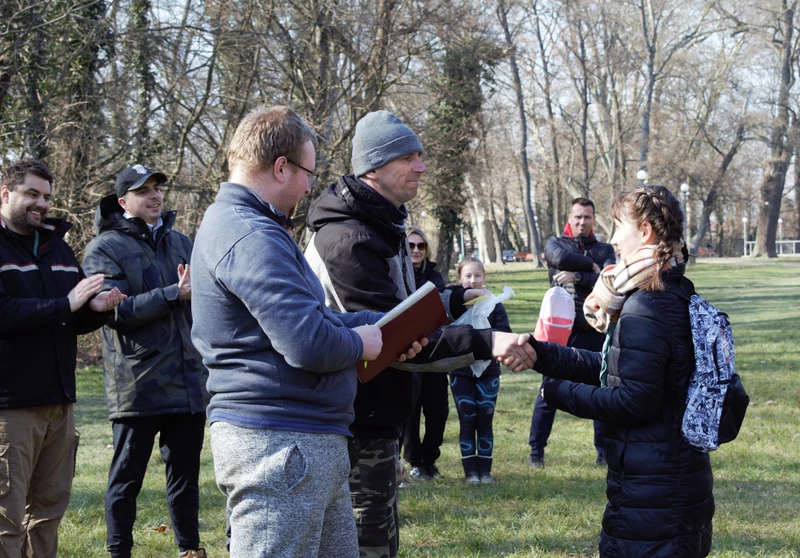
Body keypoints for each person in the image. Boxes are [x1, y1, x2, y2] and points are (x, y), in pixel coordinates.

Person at [189, 105, 422, 557]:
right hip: (279, 446)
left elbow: (312, 317)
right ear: (281, 166)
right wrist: (363, 342)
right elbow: (307, 342)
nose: (311, 186)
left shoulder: (255, 228)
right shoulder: (249, 235)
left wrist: (375, 324)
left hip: (301, 443)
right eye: (308, 173)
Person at [305, 109, 535, 557]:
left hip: (375, 417)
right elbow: (393, 341)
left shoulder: (380, 226)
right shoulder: (350, 240)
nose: (422, 167)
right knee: (366, 544)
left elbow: (402, 310)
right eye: (409, 157)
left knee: (381, 539)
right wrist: (490, 343)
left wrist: (452, 300)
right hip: (351, 422)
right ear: (374, 167)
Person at [527, 185, 713, 556]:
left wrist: (556, 393)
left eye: (618, 226)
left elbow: (633, 400)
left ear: (645, 232)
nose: (612, 239)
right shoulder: (675, 292)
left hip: (656, 494)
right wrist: (541, 355)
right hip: (664, 483)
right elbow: (620, 369)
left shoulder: (648, 305)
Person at [82, 165, 210, 558]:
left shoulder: (182, 242)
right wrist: (174, 292)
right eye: (143, 191)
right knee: (127, 479)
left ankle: (190, 549)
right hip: (138, 383)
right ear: (123, 203)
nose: (155, 196)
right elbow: (115, 311)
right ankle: (118, 550)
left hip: (189, 382)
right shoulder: (104, 248)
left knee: (186, 478)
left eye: (157, 189)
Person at [0, 159, 125, 557]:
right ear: (6, 193)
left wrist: (98, 308)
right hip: (11, 407)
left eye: (48, 197)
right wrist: (64, 304)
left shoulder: (57, 246)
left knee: (50, 511)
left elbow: (72, 316)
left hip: (59, 402)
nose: (42, 204)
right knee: (5, 517)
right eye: (32, 194)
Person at [527, 197, 616, 468]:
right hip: (561, 333)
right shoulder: (556, 243)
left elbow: (610, 280)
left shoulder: (603, 249)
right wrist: (591, 268)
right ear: (570, 217)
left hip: (596, 330)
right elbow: (558, 258)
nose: (582, 222)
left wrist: (578, 277)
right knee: (548, 391)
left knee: (604, 391)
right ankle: (536, 451)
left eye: (587, 217)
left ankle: (604, 451)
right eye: (578, 216)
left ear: (593, 219)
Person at [446, 257, 511, 485]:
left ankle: (485, 471)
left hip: (489, 371)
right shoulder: (453, 306)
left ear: (484, 278)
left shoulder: (494, 304)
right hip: (460, 372)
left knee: (485, 419)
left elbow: (504, 333)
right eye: (468, 276)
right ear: (459, 279)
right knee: (467, 419)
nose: (473, 280)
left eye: (477, 275)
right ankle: (470, 473)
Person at [402, 227, 447, 481]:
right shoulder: (396, 273)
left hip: (434, 351)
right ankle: (415, 462)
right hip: (408, 352)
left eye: (420, 246)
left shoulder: (434, 275)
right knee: (411, 412)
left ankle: (431, 459)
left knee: (438, 410)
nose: (416, 250)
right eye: (410, 246)